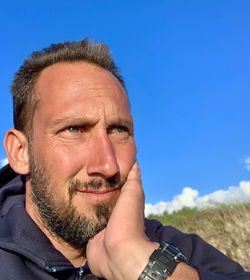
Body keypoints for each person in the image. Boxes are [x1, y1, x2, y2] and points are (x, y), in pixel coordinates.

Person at [0, 39, 249, 280]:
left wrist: (142, 264)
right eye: (74, 129)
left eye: (119, 130)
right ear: (21, 152)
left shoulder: (174, 247)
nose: (108, 165)